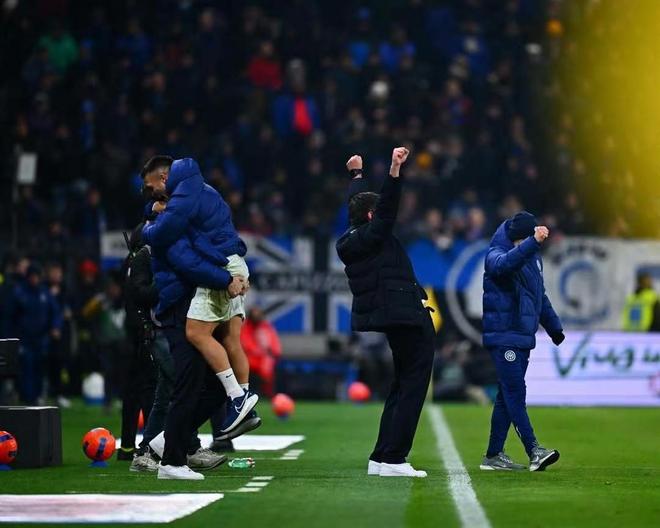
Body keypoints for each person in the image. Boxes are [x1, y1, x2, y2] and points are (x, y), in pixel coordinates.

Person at [140, 156, 257, 480]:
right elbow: (187, 263)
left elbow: (199, 251)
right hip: (179, 306)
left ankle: (168, 442)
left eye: (151, 187)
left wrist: (230, 272)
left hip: (190, 301)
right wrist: (226, 278)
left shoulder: (176, 218)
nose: (150, 194)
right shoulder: (167, 227)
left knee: (206, 384)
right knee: (188, 385)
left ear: (165, 180)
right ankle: (172, 461)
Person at [336, 147, 434, 478]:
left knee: (401, 384)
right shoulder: (374, 233)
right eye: (376, 212)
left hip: (392, 316)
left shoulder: (353, 237)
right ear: (371, 217)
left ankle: (381, 456)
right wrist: (394, 170)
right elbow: (387, 207)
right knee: (413, 385)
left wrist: (356, 175)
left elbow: (357, 204)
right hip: (405, 313)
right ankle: (394, 458)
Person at [123, 222, 229, 473]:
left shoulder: (169, 254)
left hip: (178, 328)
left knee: (168, 393)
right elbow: (139, 295)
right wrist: (167, 284)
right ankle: (175, 448)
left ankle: (158, 449)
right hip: (162, 330)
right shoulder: (145, 257)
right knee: (182, 389)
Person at [480, 211, 564, 472]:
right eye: (525, 240)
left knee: (506, 396)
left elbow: (539, 296)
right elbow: (504, 265)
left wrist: (554, 328)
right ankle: (534, 451)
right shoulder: (496, 254)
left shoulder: (531, 257)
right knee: (515, 392)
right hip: (504, 335)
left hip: (522, 336)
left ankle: (493, 455)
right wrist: (532, 243)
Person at [7, 263, 63, 404]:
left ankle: (37, 397)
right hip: (24, 338)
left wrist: (55, 327)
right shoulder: (19, 293)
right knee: (27, 367)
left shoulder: (44, 293)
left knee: (39, 367)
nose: (34, 279)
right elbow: (11, 316)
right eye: (32, 276)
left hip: (41, 338)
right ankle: (28, 397)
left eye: (36, 276)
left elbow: (55, 312)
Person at [240, 305, 282, 397]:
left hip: (265, 360)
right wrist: (259, 352)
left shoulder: (266, 327)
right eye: (255, 315)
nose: (257, 317)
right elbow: (245, 344)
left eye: (259, 315)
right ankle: (248, 394)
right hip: (250, 360)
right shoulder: (245, 328)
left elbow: (274, 344)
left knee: (269, 364)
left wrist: (273, 353)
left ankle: (269, 395)